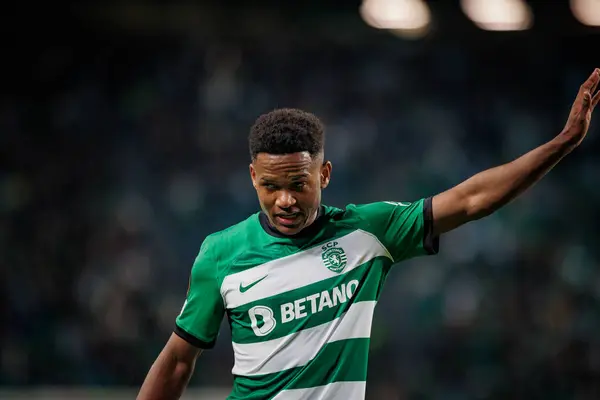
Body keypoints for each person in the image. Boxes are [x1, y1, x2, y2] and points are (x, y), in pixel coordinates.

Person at [137, 69, 600, 400]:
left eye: (298, 184)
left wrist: (562, 143)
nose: (284, 200)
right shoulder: (220, 254)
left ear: (325, 175)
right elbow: (178, 361)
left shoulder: (368, 231)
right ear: (252, 178)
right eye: (270, 186)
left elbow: (471, 199)